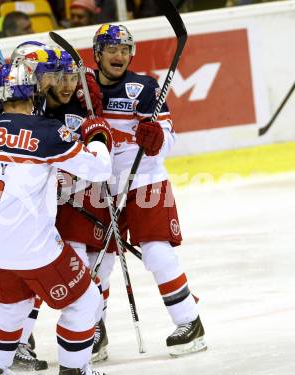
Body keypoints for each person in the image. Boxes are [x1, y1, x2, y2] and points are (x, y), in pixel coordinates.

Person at [0, 47, 112, 374]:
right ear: (35, 94)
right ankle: (75, 371)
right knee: (86, 301)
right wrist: (98, 136)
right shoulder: (47, 133)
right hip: (36, 251)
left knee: (9, 308)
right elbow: (98, 170)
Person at [90, 23, 207, 357]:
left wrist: (156, 140)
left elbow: (168, 136)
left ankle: (190, 321)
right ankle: (92, 331)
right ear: (98, 53)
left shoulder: (143, 88)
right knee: (97, 262)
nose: (119, 55)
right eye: (112, 49)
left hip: (144, 180)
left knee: (156, 251)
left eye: (125, 49)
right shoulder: (81, 86)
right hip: (98, 185)